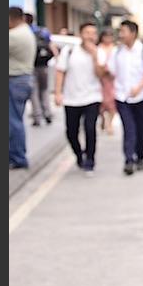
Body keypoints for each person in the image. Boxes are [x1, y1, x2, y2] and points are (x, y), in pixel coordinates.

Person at [54, 22, 107, 175]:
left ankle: (90, 160)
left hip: (92, 97)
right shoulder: (69, 51)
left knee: (90, 128)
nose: (90, 36)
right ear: (80, 34)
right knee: (71, 132)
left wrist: (95, 56)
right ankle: (79, 155)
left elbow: (101, 75)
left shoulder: (99, 52)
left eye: (93, 33)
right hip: (71, 98)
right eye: (87, 33)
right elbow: (60, 72)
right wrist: (58, 93)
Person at [107, 20, 143, 175]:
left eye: (124, 31)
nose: (121, 35)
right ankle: (129, 159)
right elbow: (110, 72)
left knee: (141, 128)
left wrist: (139, 88)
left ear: (133, 33)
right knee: (128, 128)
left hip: (142, 96)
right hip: (122, 97)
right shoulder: (117, 52)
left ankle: (140, 156)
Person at [9, 7, 36, 170]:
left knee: (13, 122)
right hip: (22, 80)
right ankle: (15, 155)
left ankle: (18, 157)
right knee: (15, 120)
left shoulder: (15, 36)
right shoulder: (26, 31)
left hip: (15, 80)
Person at [25, 12, 57, 126]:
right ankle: (47, 112)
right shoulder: (43, 31)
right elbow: (52, 48)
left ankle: (37, 116)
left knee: (34, 92)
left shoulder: (26, 32)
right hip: (44, 66)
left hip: (31, 66)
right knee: (44, 90)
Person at [98, 29, 118, 135]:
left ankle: (109, 123)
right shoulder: (98, 49)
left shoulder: (115, 49)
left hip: (112, 79)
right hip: (100, 78)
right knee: (101, 101)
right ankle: (103, 118)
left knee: (112, 102)